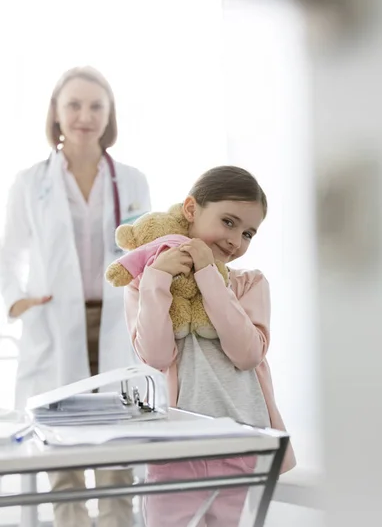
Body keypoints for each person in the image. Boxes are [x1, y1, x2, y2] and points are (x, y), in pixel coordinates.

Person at [0, 66, 151, 527]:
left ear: (109, 116)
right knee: (61, 449)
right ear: (56, 113)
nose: (85, 115)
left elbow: (146, 251)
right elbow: (9, 250)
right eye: (74, 104)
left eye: (95, 106)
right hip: (55, 323)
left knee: (117, 446)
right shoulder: (32, 181)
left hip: (115, 323)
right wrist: (16, 302)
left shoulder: (131, 179)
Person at [124, 165, 296, 527]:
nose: (236, 240)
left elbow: (247, 353)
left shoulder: (250, 284)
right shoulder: (145, 284)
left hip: (240, 441)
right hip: (173, 448)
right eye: (229, 222)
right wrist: (157, 279)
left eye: (248, 232)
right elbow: (156, 356)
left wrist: (208, 277)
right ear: (191, 209)